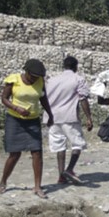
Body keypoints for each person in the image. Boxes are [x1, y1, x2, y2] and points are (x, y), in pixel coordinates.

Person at [0, 59, 55, 198]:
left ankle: (37, 186)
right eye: (33, 76)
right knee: (15, 154)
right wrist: (16, 108)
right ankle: (3, 181)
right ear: (26, 72)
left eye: (38, 76)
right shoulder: (14, 80)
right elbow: (4, 98)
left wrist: (50, 114)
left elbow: (43, 99)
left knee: (37, 152)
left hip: (33, 121)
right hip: (14, 120)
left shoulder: (40, 82)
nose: (35, 78)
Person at [45, 56, 93, 186]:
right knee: (78, 144)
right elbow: (83, 99)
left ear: (64, 66)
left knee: (59, 146)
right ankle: (70, 169)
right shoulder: (78, 79)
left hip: (53, 117)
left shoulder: (51, 80)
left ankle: (61, 176)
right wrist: (88, 117)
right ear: (75, 67)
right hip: (69, 116)